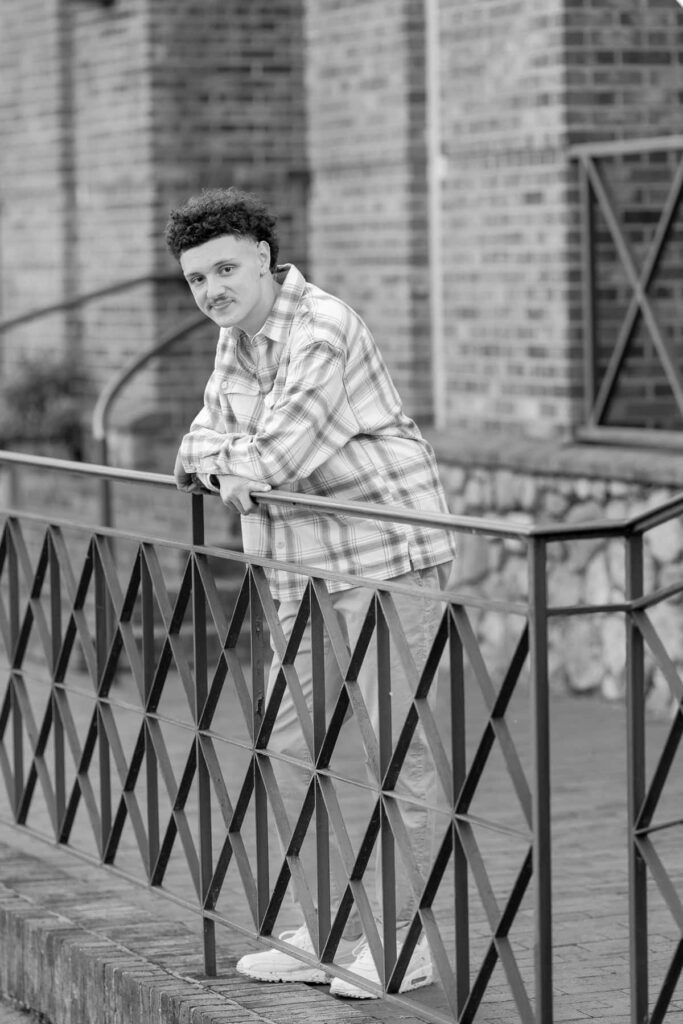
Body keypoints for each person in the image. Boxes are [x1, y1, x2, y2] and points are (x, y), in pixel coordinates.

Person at [166, 187, 454, 999]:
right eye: (196, 279)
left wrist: (233, 458)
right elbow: (198, 442)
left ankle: (406, 941)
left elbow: (275, 459)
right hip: (302, 568)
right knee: (294, 749)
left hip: (384, 558)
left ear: (263, 256)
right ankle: (328, 929)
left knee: (396, 752)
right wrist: (231, 456)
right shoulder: (241, 337)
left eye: (224, 268)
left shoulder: (320, 327)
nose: (211, 289)